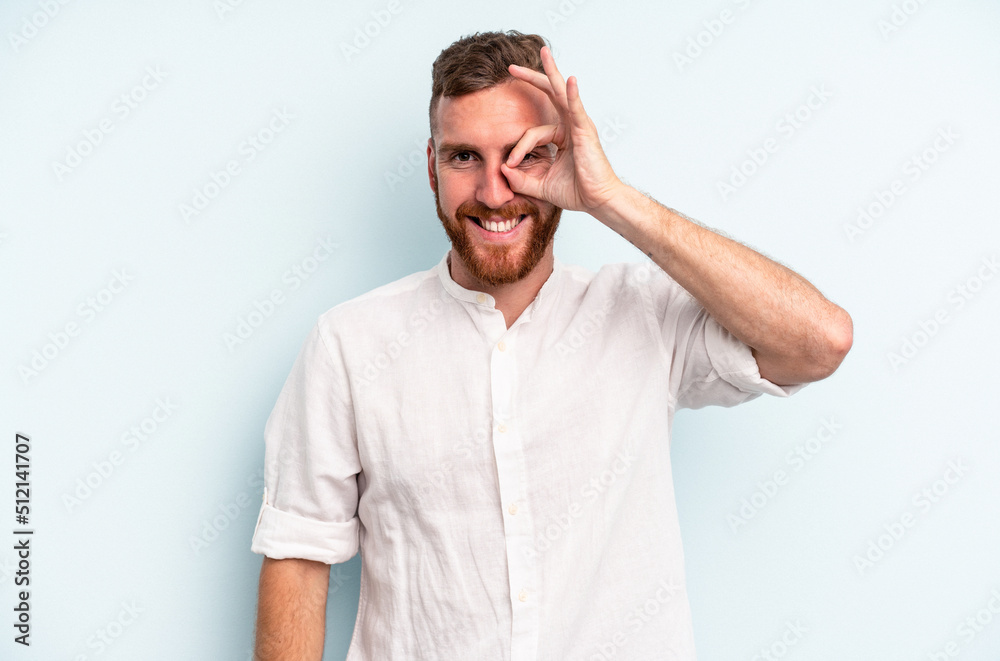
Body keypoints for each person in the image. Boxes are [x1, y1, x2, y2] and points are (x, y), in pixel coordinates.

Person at [250, 30, 852, 661]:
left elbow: (821, 342)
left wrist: (612, 199)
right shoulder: (349, 345)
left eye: (525, 155)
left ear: (564, 156)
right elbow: (298, 556)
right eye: (464, 157)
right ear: (431, 167)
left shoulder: (645, 316)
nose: (494, 192)